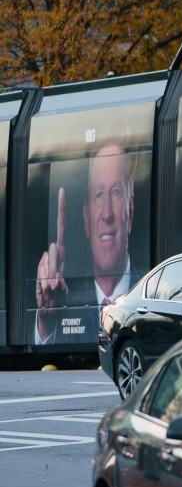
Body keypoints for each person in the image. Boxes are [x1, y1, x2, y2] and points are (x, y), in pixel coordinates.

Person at [34, 144, 137, 345]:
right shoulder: (69, 298)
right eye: (99, 195)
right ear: (86, 217)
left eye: (116, 192)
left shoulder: (150, 294)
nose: (107, 214)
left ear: (130, 212)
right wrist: (46, 322)